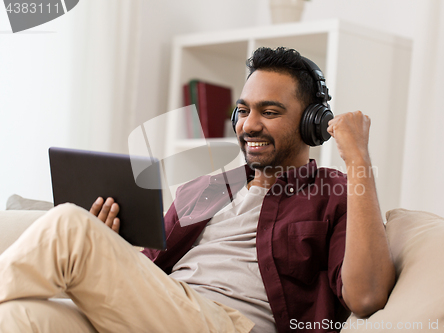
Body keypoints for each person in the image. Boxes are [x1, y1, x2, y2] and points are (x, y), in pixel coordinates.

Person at [0, 47, 394, 333]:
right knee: (18, 318)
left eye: (269, 112)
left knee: (68, 223)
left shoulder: (335, 191)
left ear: (311, 123)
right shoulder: (207, 187)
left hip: (229, 324)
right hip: (165, 311)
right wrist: (110, 246)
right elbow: (150, 270)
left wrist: (358, 159)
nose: (248, 125)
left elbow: (367, 297)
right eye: (243, 110)